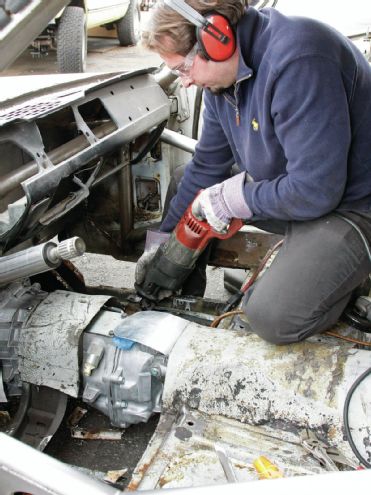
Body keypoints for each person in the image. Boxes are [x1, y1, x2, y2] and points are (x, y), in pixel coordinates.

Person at [136, 0, 371, 344]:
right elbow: (206, 167)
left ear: (216, 40)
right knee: (187, 183)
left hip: (352, 205)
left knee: (272, 317)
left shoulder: (299, 60)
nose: (184, 83)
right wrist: (161, 244)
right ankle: (175, 306)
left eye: (184, 69)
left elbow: (315, 191)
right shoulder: (222, 81)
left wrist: (236, 199)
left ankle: (341, 290)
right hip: (296, 187)